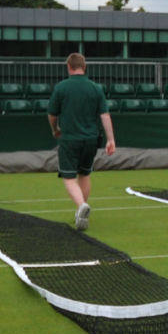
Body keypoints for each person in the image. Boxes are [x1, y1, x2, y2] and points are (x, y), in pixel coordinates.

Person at [48, 52, 116, 231]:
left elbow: (52, 114)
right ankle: (82, 210)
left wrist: (55, 130)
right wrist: (111, 140)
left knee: (69, 178)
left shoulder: (61, 88)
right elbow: (105, 115)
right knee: (84, 175)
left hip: (70, 139)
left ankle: (81, 207)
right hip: (91, 140)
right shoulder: (95, 88)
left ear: (69, 67)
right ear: (84, 67)